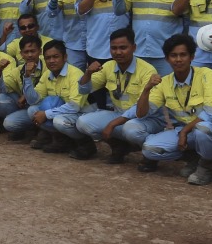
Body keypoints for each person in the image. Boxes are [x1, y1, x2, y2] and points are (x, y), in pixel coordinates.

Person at [55, 28, 160, 161]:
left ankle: (150, 156)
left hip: (144, 119)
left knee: (131, 130)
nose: (118, 52)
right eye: (114, 48)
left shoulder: (147, 70)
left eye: (123, 48)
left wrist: (113, 124)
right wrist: (88, 73)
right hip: (119, 115)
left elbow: (141, 110)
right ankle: (119, 147)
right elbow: (84, 90)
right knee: (83, 123)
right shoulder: (109, 66)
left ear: (134, 48)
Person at [138, 34, 212, 185]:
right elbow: (142, 114)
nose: (178, 59)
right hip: (186, 132)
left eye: (183, 55)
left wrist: (184, 131)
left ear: (192, 57)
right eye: (173, 55)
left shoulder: (207, 75)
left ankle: (206, 166)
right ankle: (193, 158)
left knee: (203, 129)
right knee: (149, 149)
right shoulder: (164, 82)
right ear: (167, 59)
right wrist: (146, 89)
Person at [2, 40, 87, 152]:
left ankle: (85, 143)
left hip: (79, 114)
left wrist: (46, 114)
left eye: (55, 57)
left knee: (58, 121)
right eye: (48, 58)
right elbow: (33, 100)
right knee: (32, 110)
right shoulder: (47, 74)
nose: (51, 61)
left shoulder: (75, 74)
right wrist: (27, 77)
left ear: (65, 57)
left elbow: (74, 106)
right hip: (60, 113)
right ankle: (59, 139)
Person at [3, 35, 46, 142]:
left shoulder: (48, 66)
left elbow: (34, 99)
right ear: (21, 54)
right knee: (8, 121)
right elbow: (1, 87)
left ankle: (46, 132)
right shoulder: (18, 70)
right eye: (26, 52)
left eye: (33, 51)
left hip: (46, 106)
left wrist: (25, 93)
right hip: (30, 108)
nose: (30, 55)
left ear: (40, 51)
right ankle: (30, 129)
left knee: (33, 109)